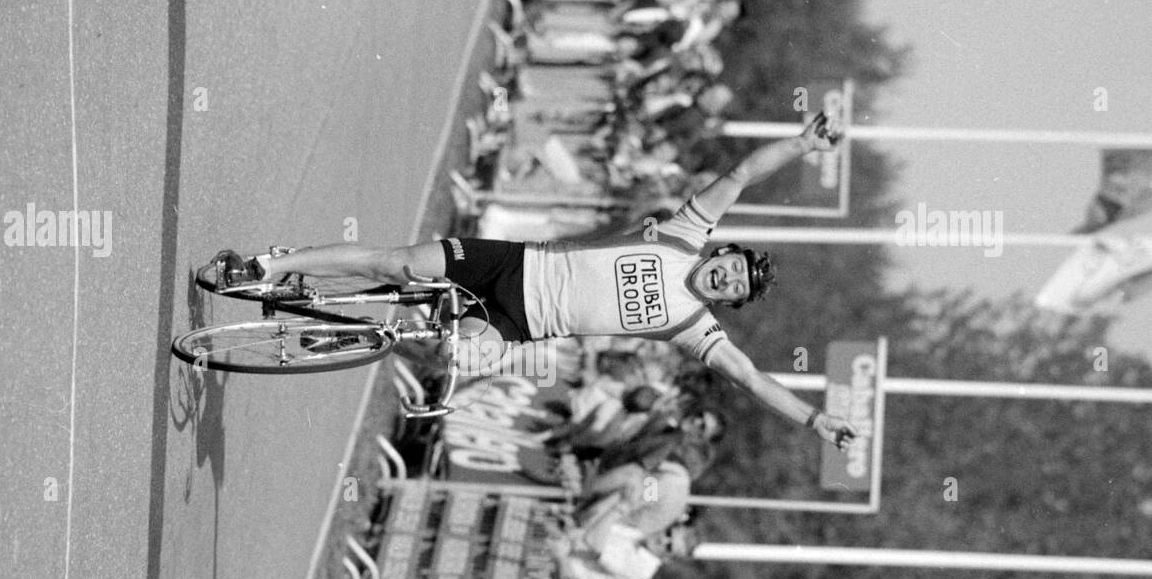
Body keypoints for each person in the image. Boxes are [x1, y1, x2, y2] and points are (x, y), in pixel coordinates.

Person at [218, 110, 858, 452]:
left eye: (731, 287)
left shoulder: (695, 329)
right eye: (730, 265)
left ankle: (338, 329)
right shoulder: (688, 231)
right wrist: (802, 143)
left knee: (452, 350)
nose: (722, 278)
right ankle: (272, 265)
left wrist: (813, 421)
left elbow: (749, 377)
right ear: (722, 250)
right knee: (395, 262)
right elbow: (743, 175)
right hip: (513, 264)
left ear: (730, 302)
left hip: (519, 322)